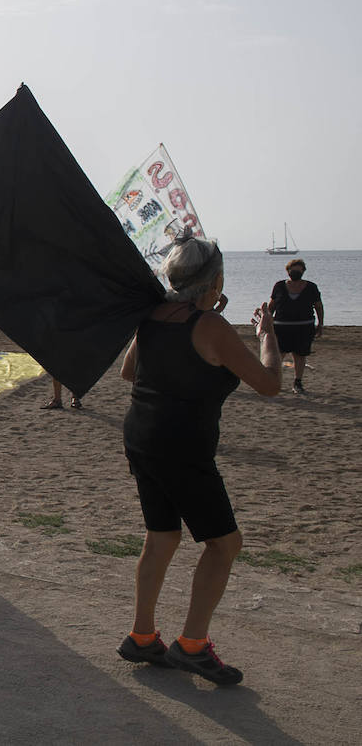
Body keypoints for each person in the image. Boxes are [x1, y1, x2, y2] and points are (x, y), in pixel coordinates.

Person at [116, 235, 280, 685]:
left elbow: (130, 371)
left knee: (162, 536)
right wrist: (267, 336)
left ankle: (143, 636)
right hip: (181, 446)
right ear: (216, 281)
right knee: (224, 544)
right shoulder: (210, 326)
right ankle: (192, 646)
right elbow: (268, 383)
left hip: (142, 436)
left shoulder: (152, 315)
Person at [268, 258, 323, 394]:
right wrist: (267, 322)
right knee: (278, 354)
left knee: (300, 355)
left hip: (304, 327)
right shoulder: (279, 286)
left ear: (303, 271)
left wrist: (320, 324)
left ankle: (297, 382)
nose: (296, 273)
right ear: (288, 271)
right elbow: (272, 305)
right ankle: (274, 381)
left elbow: (319, 307)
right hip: (281, 326)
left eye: (299, 271)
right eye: (293, 270)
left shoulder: (311, 287)